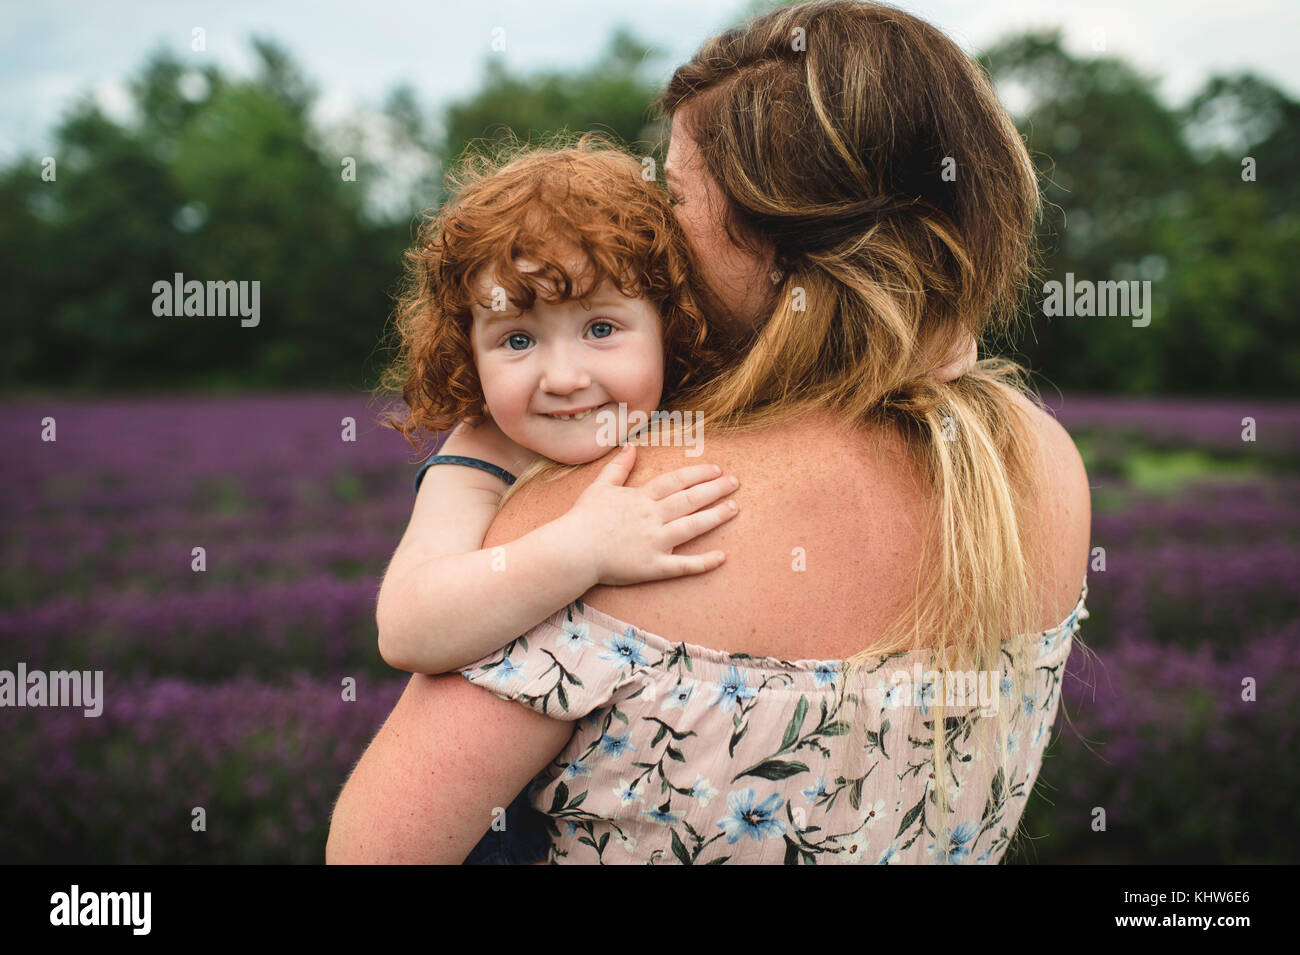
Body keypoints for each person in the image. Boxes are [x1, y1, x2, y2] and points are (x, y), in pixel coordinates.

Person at [328, 0, 1091, 864]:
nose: (661, 225)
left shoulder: (622, 508)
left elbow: (376, 852)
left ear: (771, 242)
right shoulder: (1034, 460)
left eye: (678, 194)